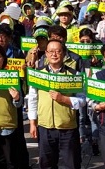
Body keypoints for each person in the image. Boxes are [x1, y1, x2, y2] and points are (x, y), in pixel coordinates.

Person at [28, 40, 86, 169]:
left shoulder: (74, 75)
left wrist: (64, 99)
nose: (54, 54)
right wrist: (32, 122)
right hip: (45, 127)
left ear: (64, 53)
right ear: (46, 54)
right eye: (51, 51)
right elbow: (32, 98)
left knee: (71, 163)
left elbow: (82, 100)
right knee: (46, 163)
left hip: (67, 127)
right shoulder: (38, 74)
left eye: (58, 51)